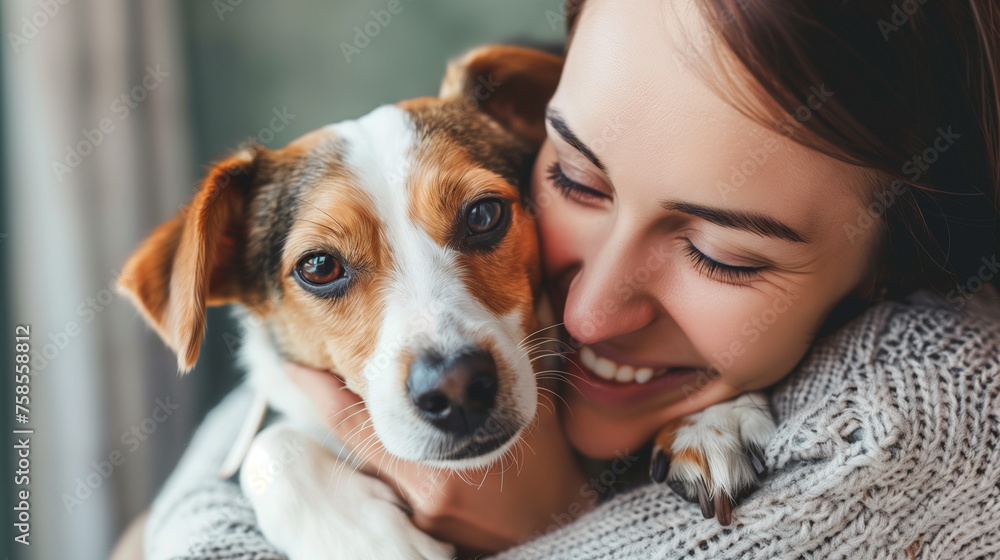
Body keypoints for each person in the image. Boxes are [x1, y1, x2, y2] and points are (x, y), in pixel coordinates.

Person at [140, 0, 1000, 558]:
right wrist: (273, 471)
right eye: (579, 182)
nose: (586, 318)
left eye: (725, 254)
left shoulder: (919, 423)